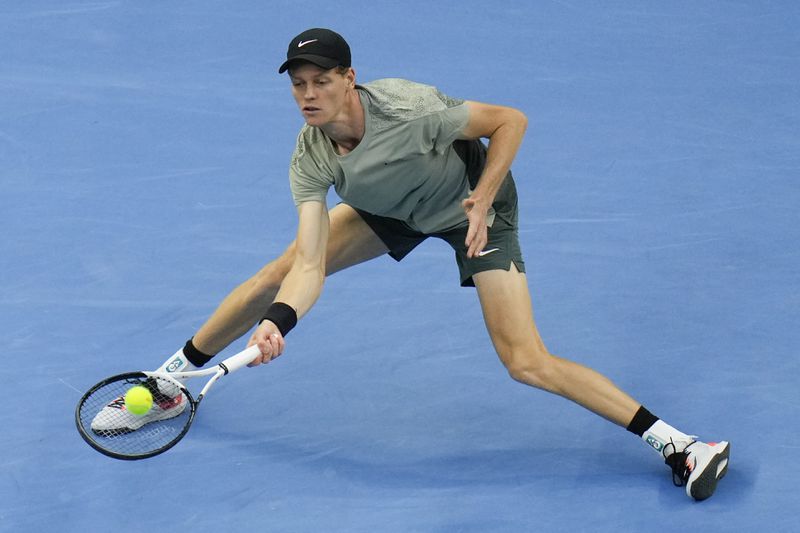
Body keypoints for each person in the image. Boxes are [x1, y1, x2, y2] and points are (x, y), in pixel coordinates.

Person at [94, 28, 729, 501]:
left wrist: (482, 196)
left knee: (525, 361)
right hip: (389, 209)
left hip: (474, 210)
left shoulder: (410, 108)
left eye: (320, 81)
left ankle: (680, 445)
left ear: (349, 78)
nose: (308, 95)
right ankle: (172, 381)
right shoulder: (311, 154)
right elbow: (309, 263)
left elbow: (510, 119)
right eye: (297, 84)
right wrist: (280, 322)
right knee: (274, 275)